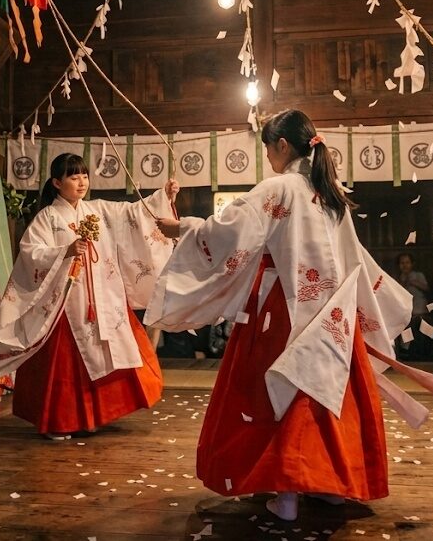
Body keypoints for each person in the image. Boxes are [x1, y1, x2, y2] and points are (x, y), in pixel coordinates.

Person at [146, 109, 413, 522]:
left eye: (268, 149)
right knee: (324, 394)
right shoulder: (330, 192)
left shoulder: (280, 187)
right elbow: (354, 257)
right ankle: (331, 487)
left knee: (279, 393)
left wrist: (182, 228)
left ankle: (286, 495)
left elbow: (230, 230)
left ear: (282, 146)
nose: (268, 157)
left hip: (281, 309)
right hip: (334, 312)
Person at [0, 153, 178, 439]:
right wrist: (64, 251)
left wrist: (162, 196)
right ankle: (61, 420)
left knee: (111, 353)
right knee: (65, 366)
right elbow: (31, 252)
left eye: (83, 176)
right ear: (57, 183)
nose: (81, 182)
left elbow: (132, 213)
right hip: (65, 302)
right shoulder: (48, 217)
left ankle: (95, 416)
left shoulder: (97, 210)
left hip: (102, 297)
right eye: (73, 177)